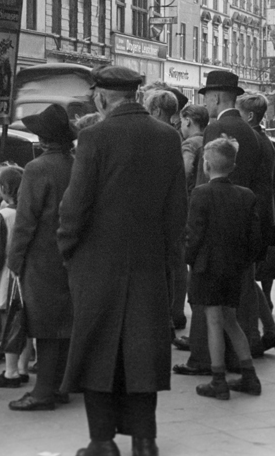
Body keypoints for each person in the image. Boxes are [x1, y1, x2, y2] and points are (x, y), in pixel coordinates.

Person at [58, 66, 186, 456]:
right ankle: (145, 441)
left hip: (98, 262)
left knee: (98, 347)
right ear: (135, 93)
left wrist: (68, 248)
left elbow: (75, 206)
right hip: (149, 260)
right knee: (143, 352)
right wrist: (168, 258)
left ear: (102, 97)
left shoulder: (94, 137)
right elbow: (176, 208)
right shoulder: (168, 137)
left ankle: (102, 441)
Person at [174, 70, 271, 376]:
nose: (207, 103)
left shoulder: (217, 129)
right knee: (237, 301)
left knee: (208, 306)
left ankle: (205, 359)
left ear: (216, 97)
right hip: (242, 228)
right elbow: (263, 187)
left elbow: (205, 181)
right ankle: (239, 357)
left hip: (213, 232)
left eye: (207, 98)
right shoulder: (252, 133)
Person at [5, 104, 76, 411]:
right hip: (70, 255)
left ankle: (43, 391)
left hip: (41, 256)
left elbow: (25, 221)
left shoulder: (38, 168)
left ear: (43, 138)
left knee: (44, 326)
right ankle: (60, 385)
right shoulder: (75, 164)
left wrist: (14, 259)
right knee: (63, 324)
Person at [186, 138, 263, 400]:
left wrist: (189, 259)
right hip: (234, 268)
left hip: (207, 267)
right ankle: (249, 374)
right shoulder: (246, 195)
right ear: (232, 166)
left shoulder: (200, 194)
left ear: (206, 165)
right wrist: (244, 262)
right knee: (231, 319)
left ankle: (218, 379)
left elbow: (194, 235)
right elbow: (255, 238)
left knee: (213, 319)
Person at [236, 93, 275, 351]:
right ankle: (269, 327)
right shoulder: (269, 143)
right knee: (252, 275)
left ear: (249, 116)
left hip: (253, 214)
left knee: (246, 275)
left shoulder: (250, 141)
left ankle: (262, 333)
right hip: (266, 212)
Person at [0, 166, 27, 382]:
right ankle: (22, 365)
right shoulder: (25, 210)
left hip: (3, 272)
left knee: (0, 315)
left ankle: (1, 357)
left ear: (5, 187)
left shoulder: (1, 216)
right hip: (21, 270)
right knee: (19, 318)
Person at [172, 103, 209, 333]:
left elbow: (184, 172)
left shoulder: (189, 144)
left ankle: (179, 312)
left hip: (188, 205)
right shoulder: (208, 139)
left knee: (181, 262)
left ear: (188, 121)